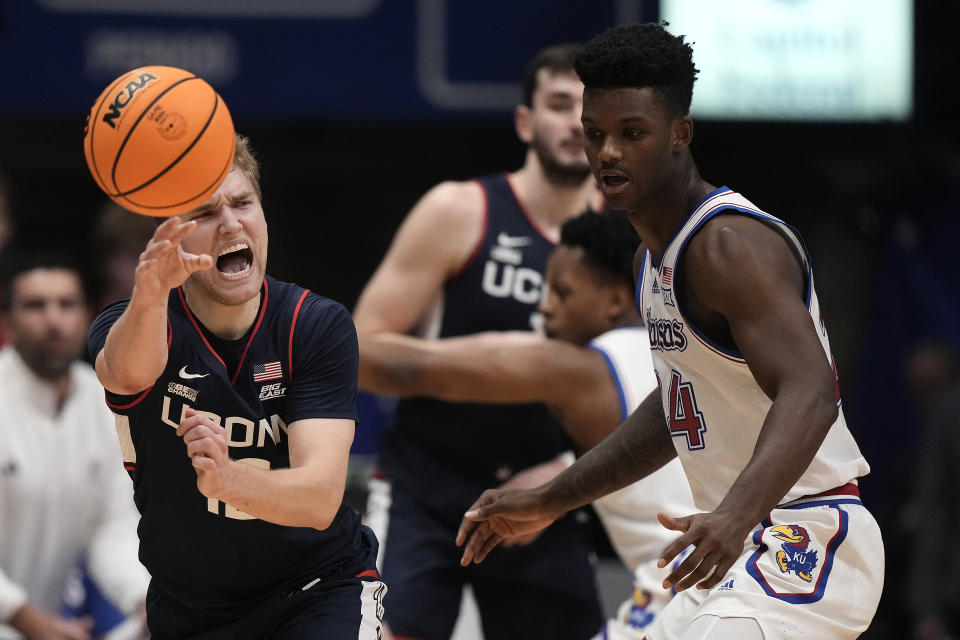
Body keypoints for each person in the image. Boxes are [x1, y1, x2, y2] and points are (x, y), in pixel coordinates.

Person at [456, 23, 884, 640]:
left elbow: (811, 389)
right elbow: (678, 409)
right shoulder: (651, 260)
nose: (606, 153)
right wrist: (551, 499)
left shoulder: (730, 246)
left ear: (679, 134)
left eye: (632, 134)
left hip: (805, 535)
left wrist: (736, 514)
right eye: (595, 134)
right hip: (727, 546)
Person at [86, 134, 386, 640]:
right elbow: (127, 374)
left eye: (244, 203)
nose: (231, 222)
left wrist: (228, 479)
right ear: (172, 237)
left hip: (316, 590)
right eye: (205, 213)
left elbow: (318, 500)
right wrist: (152, 290)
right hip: (190, 608)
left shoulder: (313, 324)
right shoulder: (131, 324)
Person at [353, 43, 606, 639]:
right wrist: (489, 365)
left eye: (588, 109)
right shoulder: (458, 209)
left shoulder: (624, 241)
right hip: (427, 485)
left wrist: (566, 477)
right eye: (559, 104)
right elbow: (358, 349)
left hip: (547, 490)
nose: (574, 122)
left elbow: (642, 385)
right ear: (525, 121)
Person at [360, 210, 697, 638]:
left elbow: (414, 371)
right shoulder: (681, 348)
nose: (544, 306)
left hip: (684, 588)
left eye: (562, 292)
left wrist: (292, 334)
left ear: (614, 300)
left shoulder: (579, 370)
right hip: (747, 565)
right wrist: (560, 467)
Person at [0, 252, 148, 640]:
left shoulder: (104, 399)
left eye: (66, 304)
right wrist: (22, 616)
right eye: (35, 306)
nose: (53, 320)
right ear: (8, 320)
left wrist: (142, 598)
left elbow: (113, 525)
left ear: (87, 315)